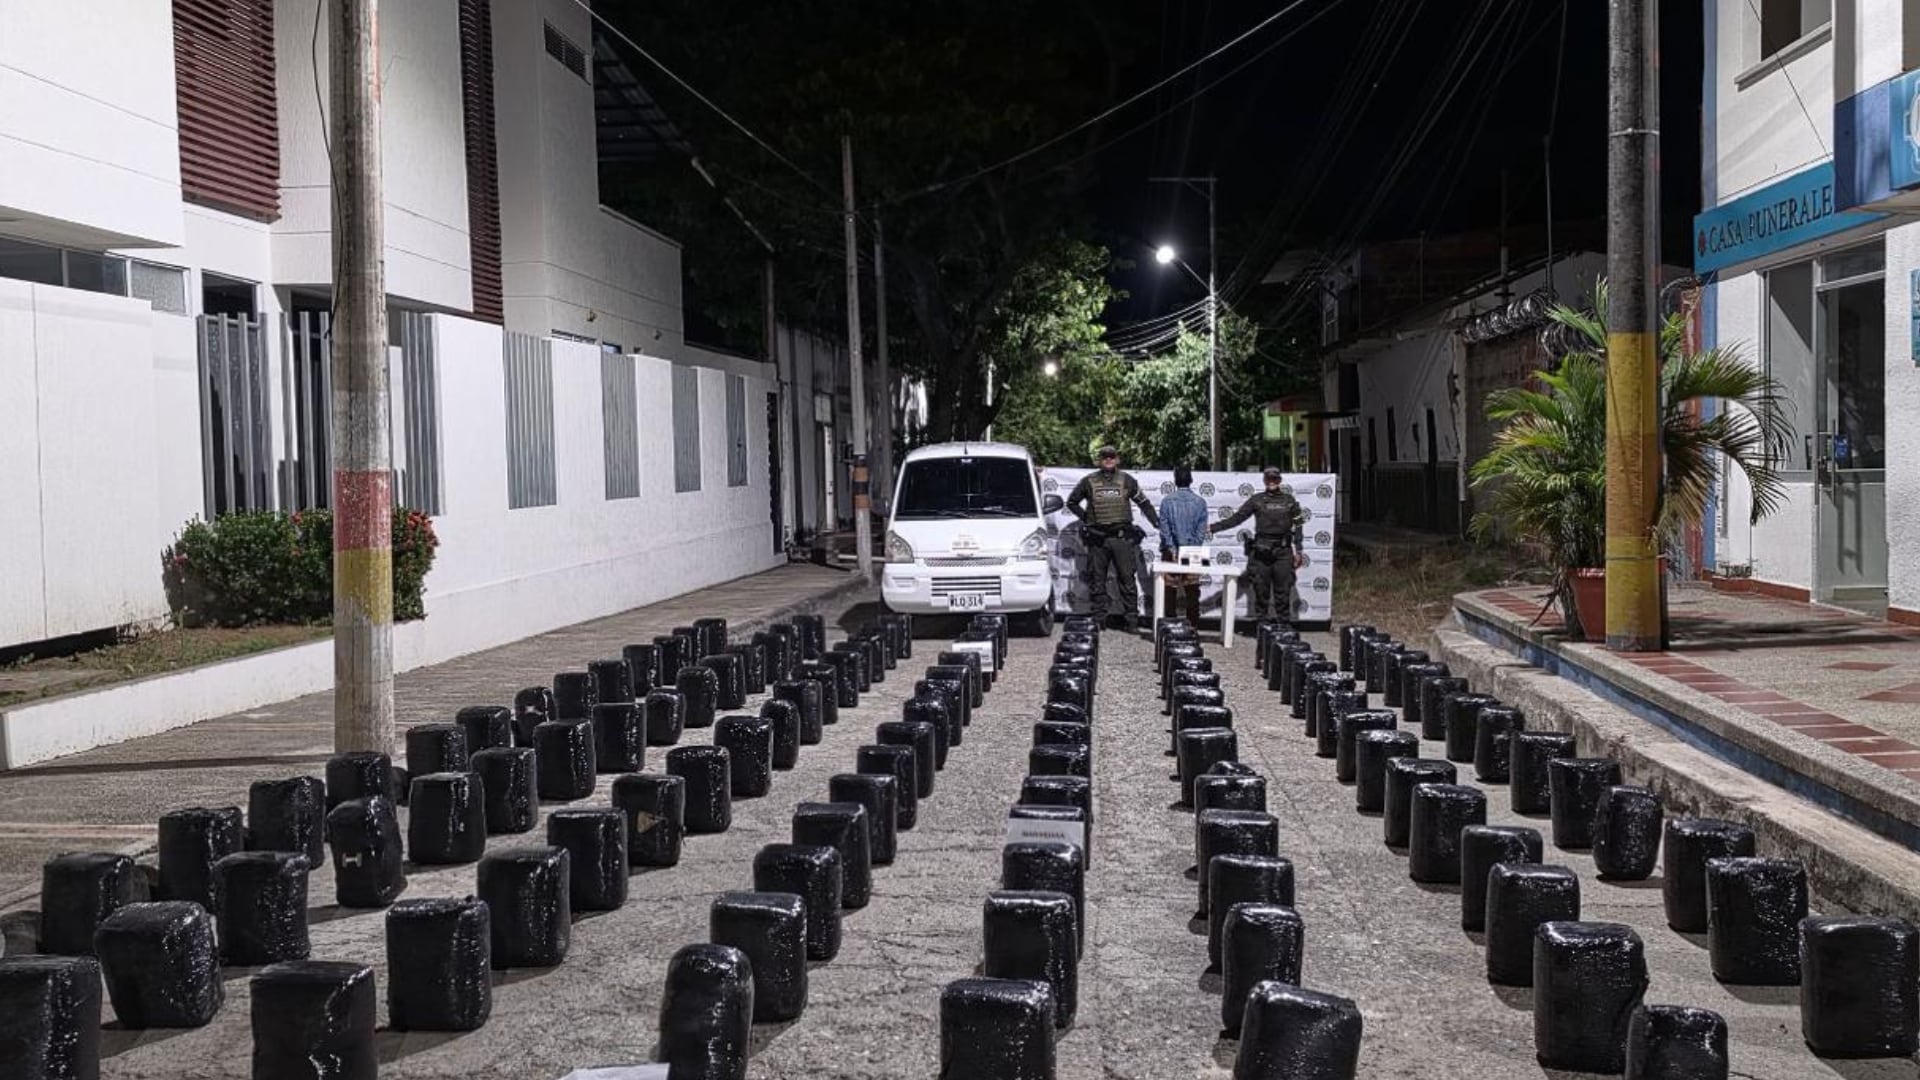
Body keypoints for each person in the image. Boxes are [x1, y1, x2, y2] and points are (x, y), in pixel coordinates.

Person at [1066, 445, 1160, 631]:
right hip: (1098, 539)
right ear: (1100, 460)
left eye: (1112, 457)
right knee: (1097, 580)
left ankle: (1131, 621)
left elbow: (1144, 503)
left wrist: (1157, 523)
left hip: (1121, 538)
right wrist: (1088, 519)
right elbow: (1071, 502)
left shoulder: (1127, 480)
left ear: (1117, 459)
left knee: (1127, 580)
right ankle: (1099, 620)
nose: (1108, 460)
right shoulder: (1089, 481)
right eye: (1105, 457)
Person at [1210, 465, 1307, 625]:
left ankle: (1284, 629)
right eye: (1269, 478)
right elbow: (1237, 518)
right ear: (1264, 480)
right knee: (1261, 593)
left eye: (1275, 478)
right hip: (1261, 553)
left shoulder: (1289, 501)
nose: (1272, 481)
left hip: (1283, 553)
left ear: (1280, 480)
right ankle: (1262, 629)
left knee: (1282, 594)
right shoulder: (1256, 500)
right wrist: (1214, 527)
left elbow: (1299, 525)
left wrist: (1299, 550)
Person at [1156, 464, 1211, 625]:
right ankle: (1193, 627)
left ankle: (1170, 627)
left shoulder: (1167, 501)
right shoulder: (1200, 502)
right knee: (1192, 591)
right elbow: (1200, 533)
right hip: (1193, 550)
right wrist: (1192, 548)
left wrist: (1172, 548)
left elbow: (1165, 530)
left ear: (1175, 481)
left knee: (1170, 591)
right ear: (1191, 480)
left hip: (1170, 551)